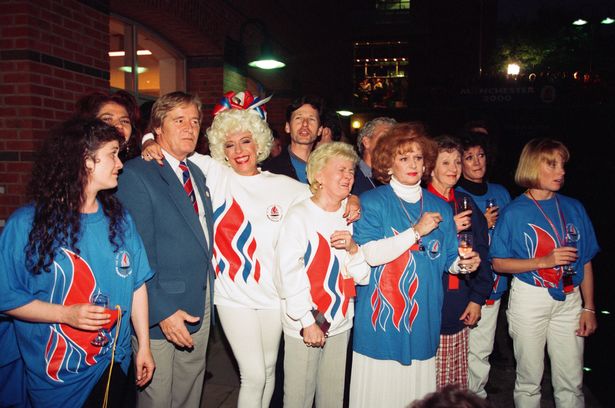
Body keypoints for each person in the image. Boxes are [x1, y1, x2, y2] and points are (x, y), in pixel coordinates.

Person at [140, 91, 361, 408]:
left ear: (259, 141)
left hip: (273, 297)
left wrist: (351, 200)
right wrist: (149, 140)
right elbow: (172, 143)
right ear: (221, 150)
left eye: (245, 141)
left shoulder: (286, 186)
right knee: (254, 375)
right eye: (229, 144)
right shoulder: (215, 175)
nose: (238, 151)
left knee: (270, 372)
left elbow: (327, 197)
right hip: (233, 297)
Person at [0, 118, 154, 407]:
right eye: (112, 154)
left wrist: (142, 345)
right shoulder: (26, 225)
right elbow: (6, 298)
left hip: (115, 364)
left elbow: (137, 285)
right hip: (59, 378)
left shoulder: (120, 219)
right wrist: (65, 315)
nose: (120, 164)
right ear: (86, 161)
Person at [349, 123, 481, 407]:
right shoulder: (372, 202)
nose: (412, 164)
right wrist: (416, 232)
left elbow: (447, 261)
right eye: (403, 157)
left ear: (426, 164)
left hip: (423, 319)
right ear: (388, 162)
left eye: (418, 158)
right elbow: (370, 254)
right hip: (379, 321)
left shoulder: (441, 207)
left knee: (415, 398)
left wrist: (465, 264)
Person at [116, 91, 215, 408]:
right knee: (156, 398)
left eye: (195, 121)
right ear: (157, 127)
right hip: (162, 311)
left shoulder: (196, 173)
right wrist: (161, 311)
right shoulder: (136, 174)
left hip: (199, 300)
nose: (190, 128)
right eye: (179, 120)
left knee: (189, 394)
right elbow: (137, 253)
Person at [490, 138, 599, 408]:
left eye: (562, 165)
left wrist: (590, 307)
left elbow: (585, 260)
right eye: (552, 165)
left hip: (570, 298)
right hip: (530, 299)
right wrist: (543, 261)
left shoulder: (574, 207)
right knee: (529, 380)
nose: (561, 172)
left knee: (571, 380)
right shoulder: (514, 212)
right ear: (532, 166)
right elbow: (498, 263)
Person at [275, 142, 370, 408]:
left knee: (332, 399)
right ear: (319, 175)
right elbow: (287, 273)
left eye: (351, 170)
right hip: (306, 323)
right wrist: (307, 321)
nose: (348, 176)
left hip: (340, 322)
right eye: (340, 170)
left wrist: (353, 250)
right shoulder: (299, 216)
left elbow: (362, 277)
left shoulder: (349, 215)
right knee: (298, 400)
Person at [426, 135, 491, 390]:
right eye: (445, 163)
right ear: (430, 167)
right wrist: (447, 229)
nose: (454, 169)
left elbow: (483, 254)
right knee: (426, 383)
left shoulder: (465, 202)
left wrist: (477, 298)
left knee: (454, 382)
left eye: (456, 162)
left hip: (458, 300)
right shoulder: (419, 202)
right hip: (427, 301)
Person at [456, 131, 512, 398]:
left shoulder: (501, 192)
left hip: (494, 285)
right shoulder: (456, 194)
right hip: (463, 284)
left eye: (480, 155)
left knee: (481, 352)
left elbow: (512, 237)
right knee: (457, 351)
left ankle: (474, 399)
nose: (477, 162)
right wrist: (483, 225)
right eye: (469, 157)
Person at [261, 95, 324, 183]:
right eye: (298, 118)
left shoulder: (327, 169)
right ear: (287, 127)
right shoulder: (271, 170)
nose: (305, 124)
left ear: (320, 130)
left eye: (311, 119)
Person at [76, 90, 142, 161]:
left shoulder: (137, 162)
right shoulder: (79, 162)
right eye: (107, 119)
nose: (119, 125)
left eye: (125, 121)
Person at [352, 117, 397, 195]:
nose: (391, 142)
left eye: (395, 139)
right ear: (366, 142)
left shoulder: (398, 177)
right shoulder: (351, 176)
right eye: (385, 137)